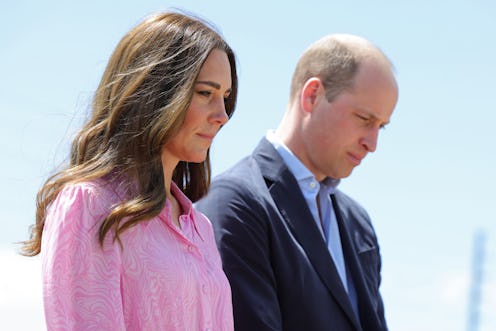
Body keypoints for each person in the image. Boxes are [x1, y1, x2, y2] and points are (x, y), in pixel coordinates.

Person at [21, 11, 238, 331]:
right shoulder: (90, 205)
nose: (222, 115)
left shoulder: (200, 227)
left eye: (225, 97)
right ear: (155, 93)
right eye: (206, 93)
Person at [196, 34, 398, 331]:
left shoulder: (358, 223)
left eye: (381, 126)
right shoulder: (235, 203)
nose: (373, 143)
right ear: (312, 95)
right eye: (365, 119)